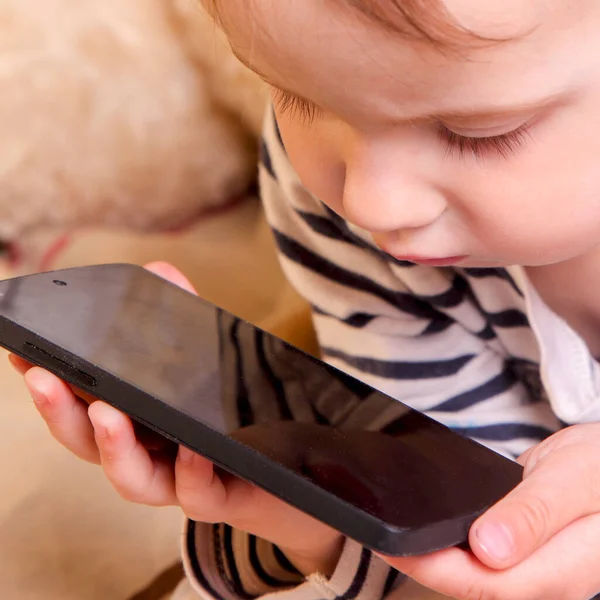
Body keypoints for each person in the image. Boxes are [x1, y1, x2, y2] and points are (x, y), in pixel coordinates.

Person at [13, 0, 600, 598]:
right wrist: (298, 524)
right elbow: (466, 532)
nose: (373, 205)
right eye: (300, 98)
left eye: (476, 132)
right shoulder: (334, 204)